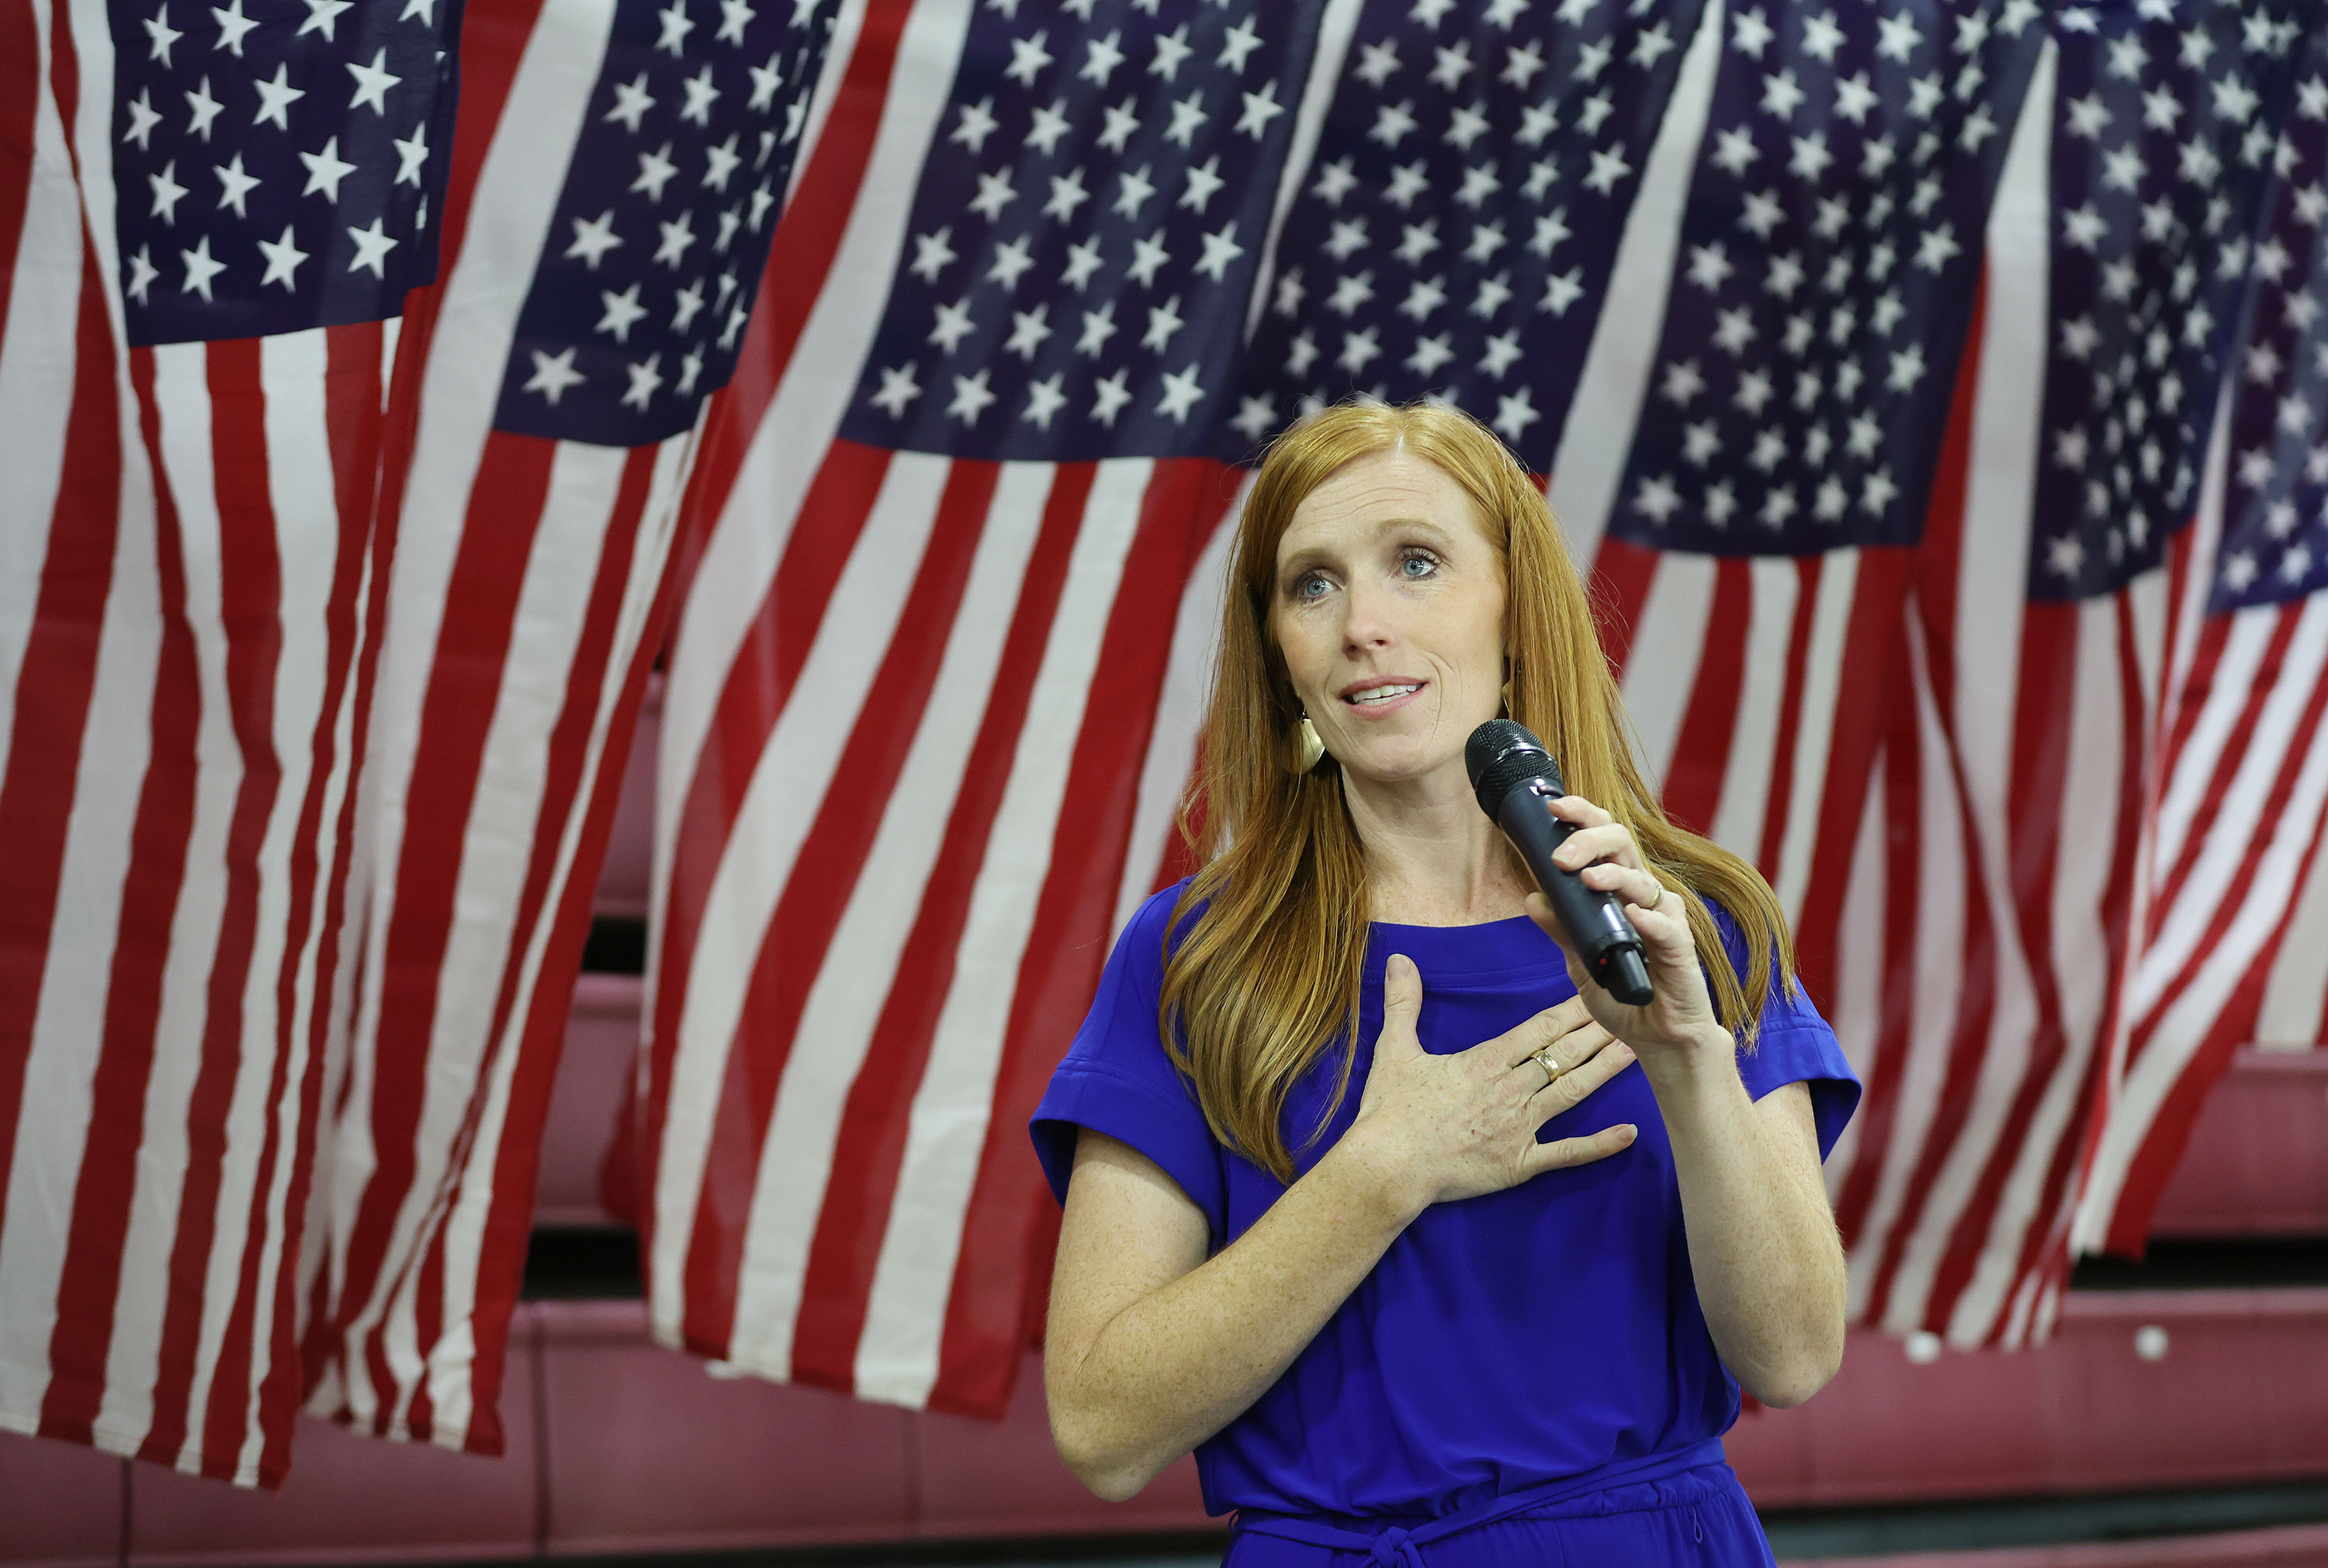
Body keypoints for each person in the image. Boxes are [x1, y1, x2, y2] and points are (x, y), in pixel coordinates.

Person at [1027, 400, 1860, 1566]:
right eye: (1310, 584)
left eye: (1416, 563)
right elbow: (1102, 1427)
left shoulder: (1693, 925)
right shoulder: (1196, 956)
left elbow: (1794, 1355)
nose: (1364, 622)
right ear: (1278, 648)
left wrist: (1689, 1055)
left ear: (1517, 609)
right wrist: (1386, 1168)